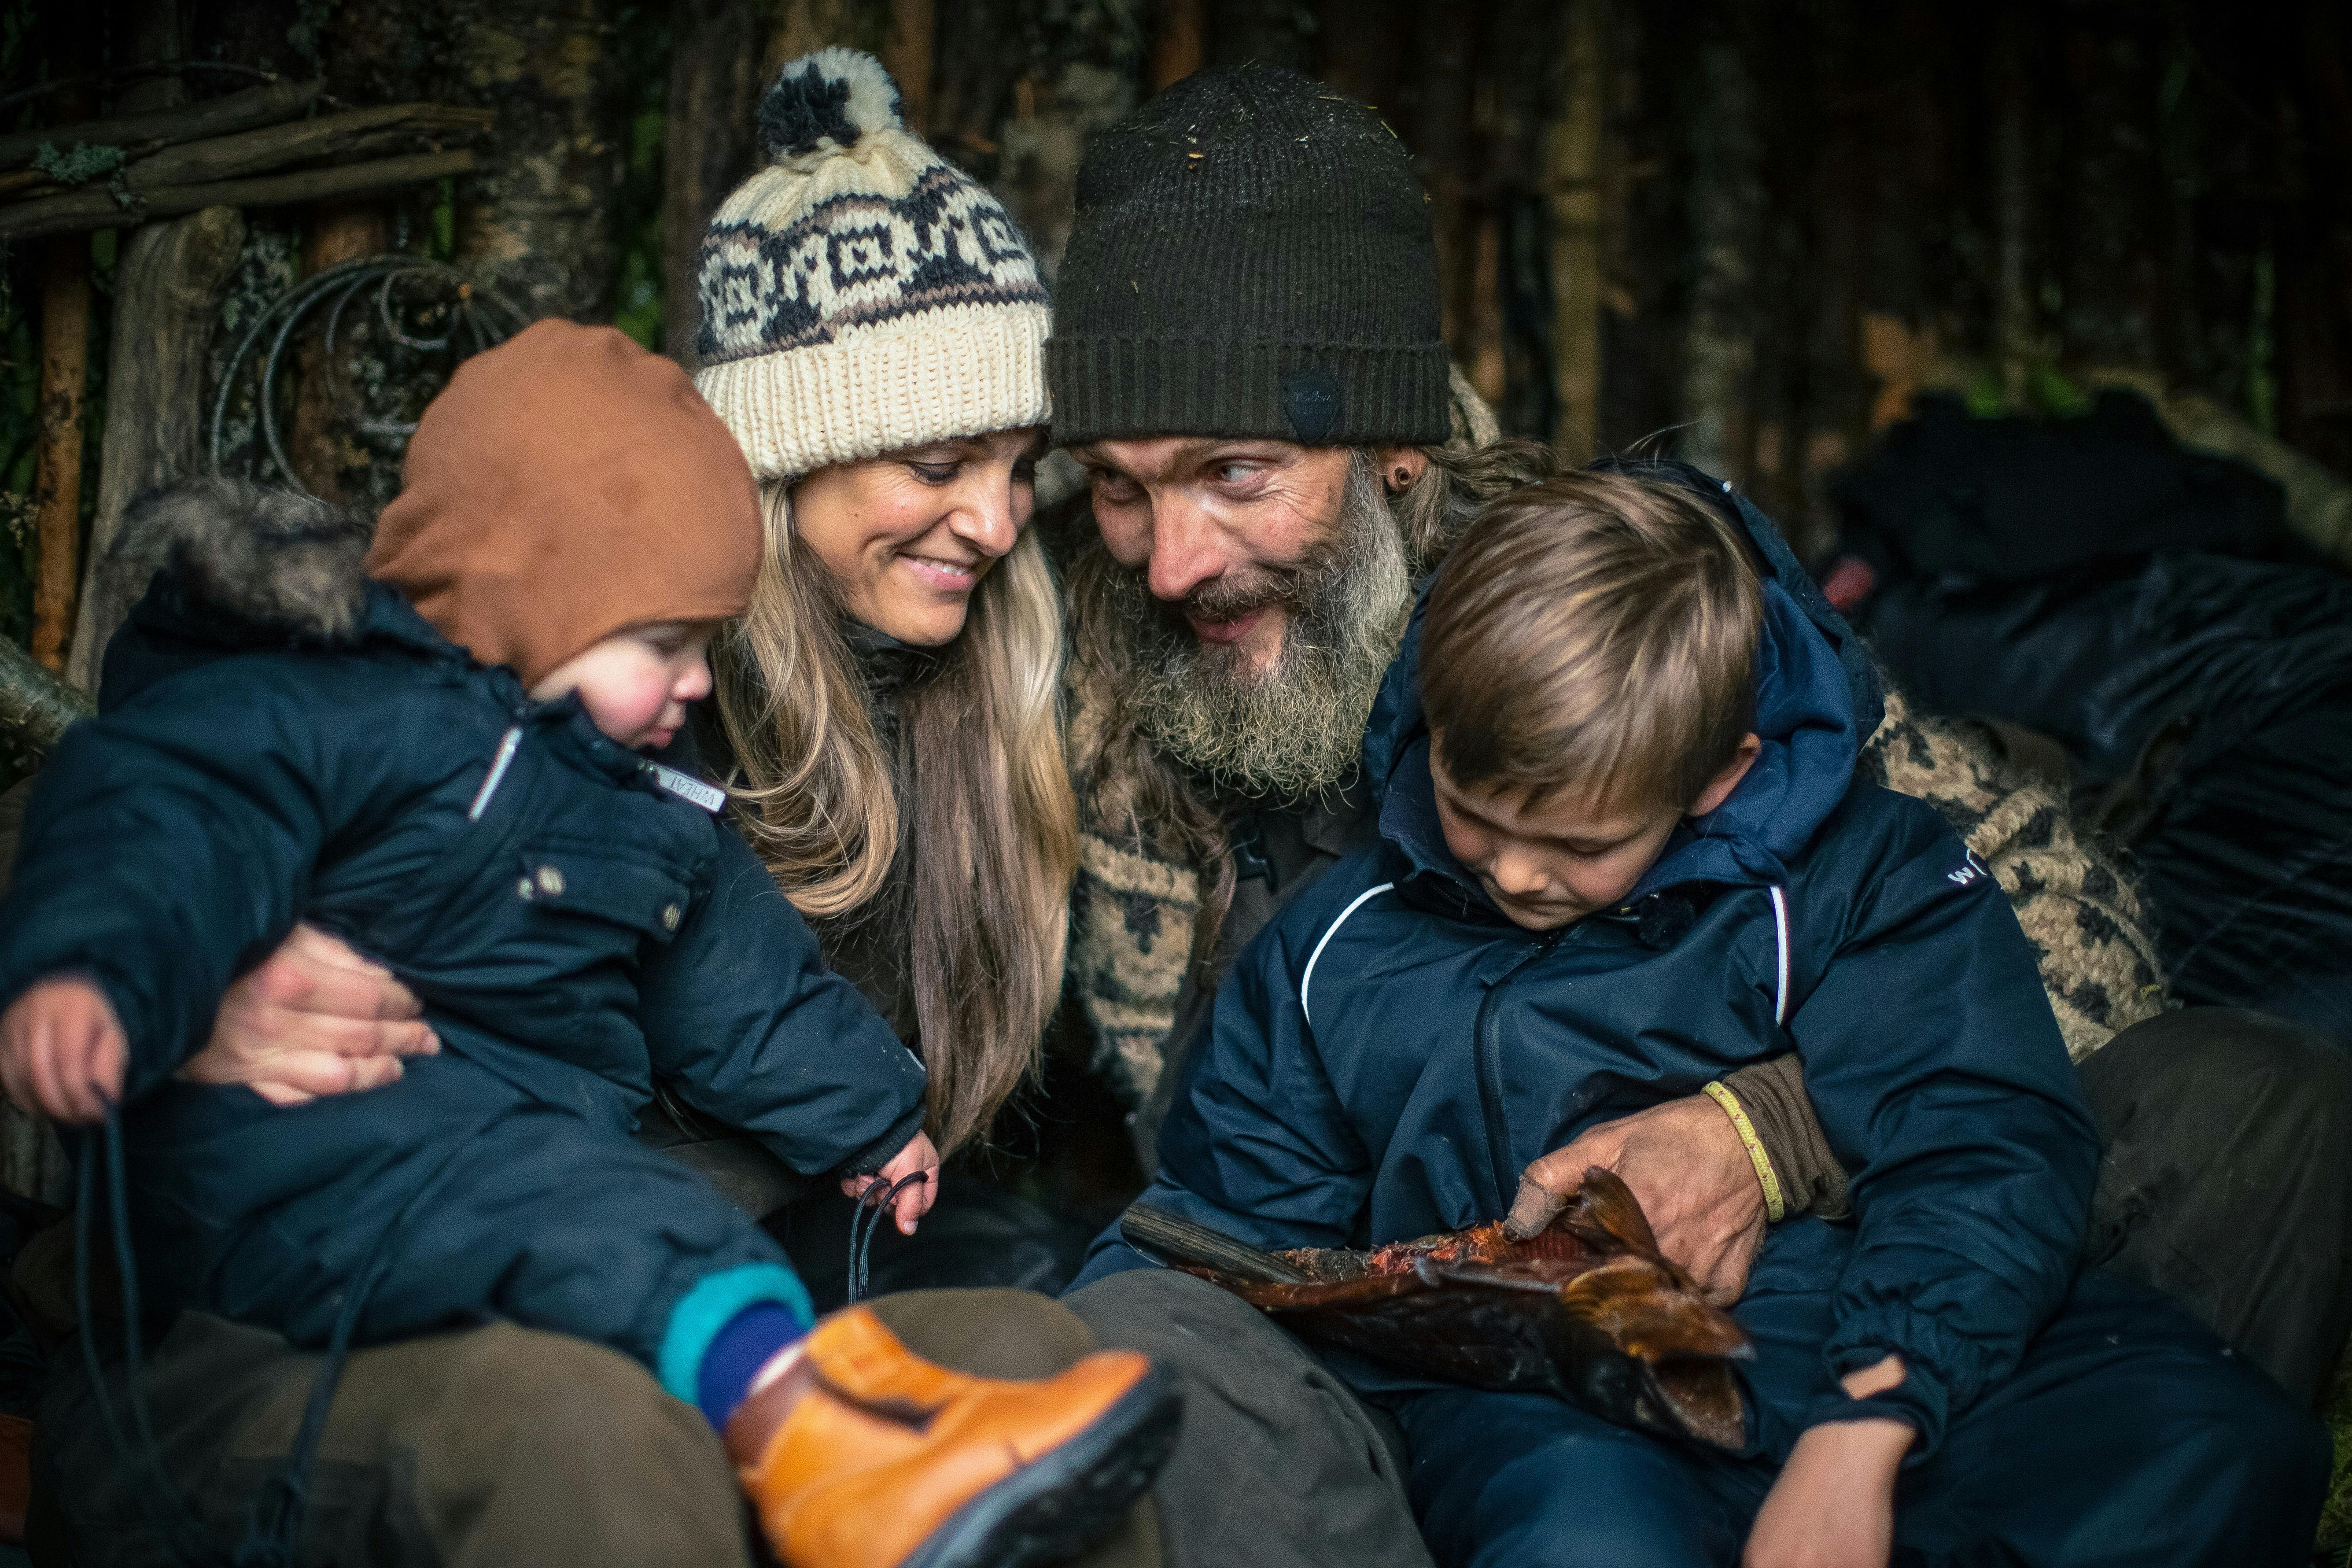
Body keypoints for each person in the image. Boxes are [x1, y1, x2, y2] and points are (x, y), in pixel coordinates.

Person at [0, 321, 1173, 1568]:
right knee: (595, 1232)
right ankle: (798, 1420)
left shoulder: (636, 781)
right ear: (534, 600)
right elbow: (153, 825)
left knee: (964, 1319)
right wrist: (97, 978)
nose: (699, 687)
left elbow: (738, 969)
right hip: (306, 1188)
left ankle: (840, 1420)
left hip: (520, 1194)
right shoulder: (316, 711)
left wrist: (873, 1112)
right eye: (666, 645)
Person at [1078, 466, 2326, 1567]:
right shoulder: (1335, 944)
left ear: (1719, 771)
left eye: (1578, 843)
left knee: (2222, 1447)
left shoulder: (1859, 875)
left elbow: (1985, 1131)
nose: (1512, 874)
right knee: (1587, 1539)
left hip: (1856, 1333)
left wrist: (1864, 1431)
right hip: (1542, 1399)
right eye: (1472, 809)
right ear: (1428, 722)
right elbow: (1228, 1219)